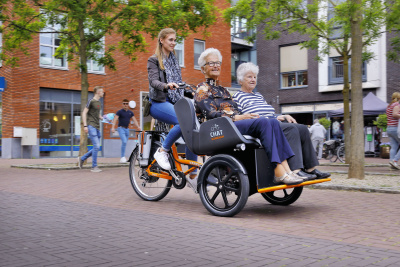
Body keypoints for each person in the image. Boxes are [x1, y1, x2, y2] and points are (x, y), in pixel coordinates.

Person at [194, 48, 304, 185]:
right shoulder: (202, 88)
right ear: (203, 69)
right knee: (263, 122)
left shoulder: (224, 90)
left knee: (272, 122)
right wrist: (237, 117)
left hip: (232, 125)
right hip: (219, 128)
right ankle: (278, 170)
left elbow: (235, 110)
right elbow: (210, 113)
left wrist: (245, 116)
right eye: (211, 63)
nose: (216, 65)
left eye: (218, 62)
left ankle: (287, 170)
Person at [232, 62, 330, 180]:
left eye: (254, 77)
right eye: (249, 77)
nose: (253, 79)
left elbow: (270, 114)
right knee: (291, 129)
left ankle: (310, 168)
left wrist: (282, 115)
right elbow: (243, 117)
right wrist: (268, 118)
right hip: (262, 126)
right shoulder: (237, 97)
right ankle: (296, 169)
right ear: (241, 80)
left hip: (273, 121)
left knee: (303, 128)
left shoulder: (258, 95)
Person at [147, 28, 197, 178]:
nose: (173, 43)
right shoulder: (153, 60)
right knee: (183, 121)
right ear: (161, 40)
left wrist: (191, 92)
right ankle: (162, 151)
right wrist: (166, 85)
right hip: (158, 103)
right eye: (170, 40)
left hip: (174, 102)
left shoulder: (174, 60)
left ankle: (192, 172)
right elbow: (154, 81)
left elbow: (179, 84)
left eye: (175, 40)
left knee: (192, 125)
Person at [78, 86, 105, 172]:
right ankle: (94, 166)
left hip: (97, 126)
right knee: (96, 146)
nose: (103, 93)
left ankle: (82, 159)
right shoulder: (91, 101)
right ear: (98, 92)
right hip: (91, 125)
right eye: (102, 92)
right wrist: (85, 126)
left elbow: (97, 114)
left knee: (96, 147)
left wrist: (102, 117)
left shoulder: (99, 102)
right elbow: (84, 113)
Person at [111, 99, 141, 163]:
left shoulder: (130, 112)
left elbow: (134, 120)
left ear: (128, 104)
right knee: (124, 142)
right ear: (122, 104)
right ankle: (122, 157)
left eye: (126, 104)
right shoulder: (119, 112)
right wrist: (113, 127)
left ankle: (122, 157)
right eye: (124, 104)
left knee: (124, 143)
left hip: (127, 129)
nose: (125, 105)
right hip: (121, 128)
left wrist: (138, 126)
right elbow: (115, 119)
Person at [386, 92, 400, 170]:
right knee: (394, 146)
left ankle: (392, 163)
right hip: (395, 128)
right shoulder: (396, 105)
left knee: (394, 147)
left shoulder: (389, 106)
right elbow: (395, 114)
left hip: (389, 128)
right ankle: (395, 160)